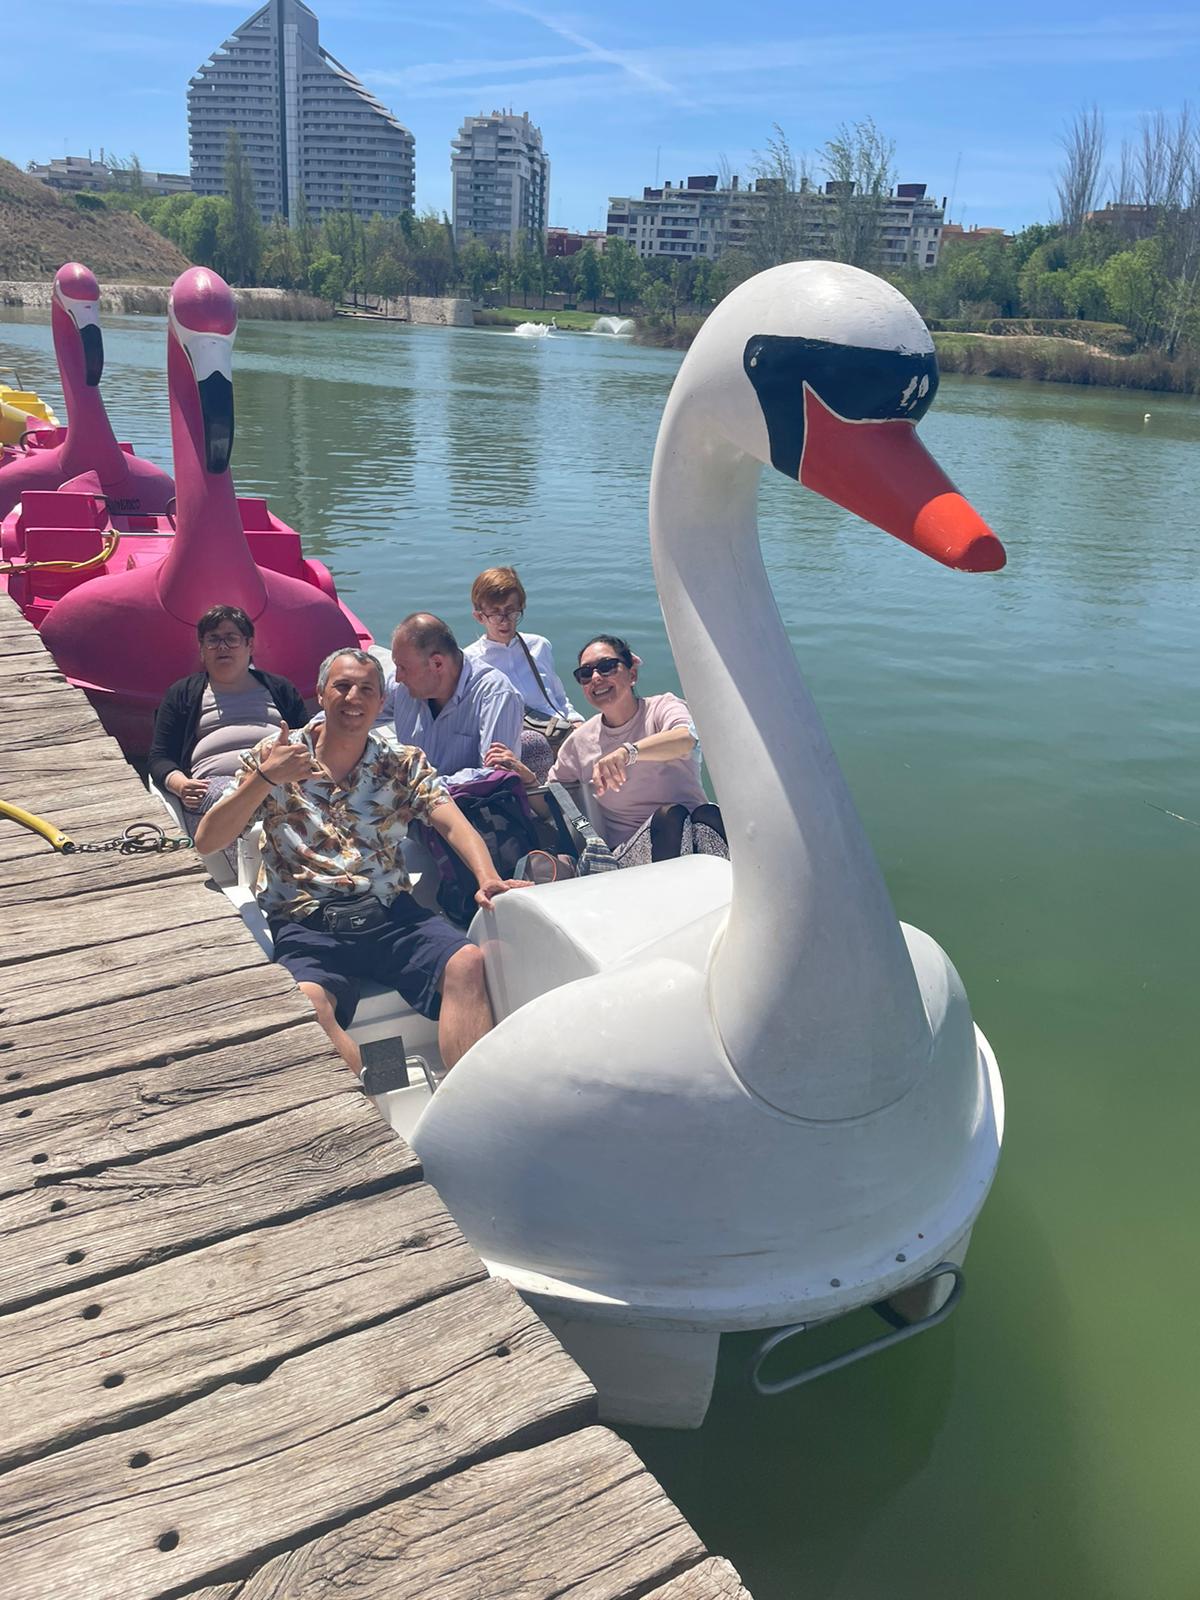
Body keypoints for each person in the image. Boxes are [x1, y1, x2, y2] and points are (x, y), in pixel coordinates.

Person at [194, 648, 527, 1077]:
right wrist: (265, 779)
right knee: (307, 1003)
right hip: (308, 922)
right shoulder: (274, 756)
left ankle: (471, 1108)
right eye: (343, 686)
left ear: (381, 702)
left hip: (391, 915)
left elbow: (452, 823)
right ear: (319, 693)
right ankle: (374, 1119)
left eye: (367, 689)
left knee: (467, 962)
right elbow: (208, 840)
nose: (354, 697)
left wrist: (488, 877)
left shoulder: (401, 763)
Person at [486, 634, 727, 868]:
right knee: (671, 817)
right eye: (585, 673)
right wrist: (528, 779)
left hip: (695, 834)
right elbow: (554, 807)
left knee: (708, 815)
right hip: (630, 853)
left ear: (632, 673)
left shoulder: (662, 708)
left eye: (607, 666)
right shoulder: (580, 742)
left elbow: (686, 739)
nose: (596, 677)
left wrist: (628, 752)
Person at [148, 604, 307, 831]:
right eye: (213, 640)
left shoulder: (280, 689)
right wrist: (180, 784)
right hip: (216, 789)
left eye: (231, 638)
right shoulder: (182, 693)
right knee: (248, 812)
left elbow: (309, 741)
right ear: (202, 649)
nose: (222, 647)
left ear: (249, 644)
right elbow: (159, 756)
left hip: (280, 780)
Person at [464, 565, 581, 782]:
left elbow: (558, 699)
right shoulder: (470, 662)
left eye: (511, 611)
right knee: (532, 745)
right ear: (479, 616)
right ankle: (552, 809)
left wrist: (578, 723)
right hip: (517, 745)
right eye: (495, 613)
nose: (505, 620)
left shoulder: (539, 645)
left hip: (556, 731)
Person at [381, 612, 523, 785]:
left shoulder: (496, 695)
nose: (397, 677)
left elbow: (494, 776)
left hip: (466, 807)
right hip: (406, 801)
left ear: (437, 664)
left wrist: (422, 790)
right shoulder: (401, 687)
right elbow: (354, 718)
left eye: (403, 668)